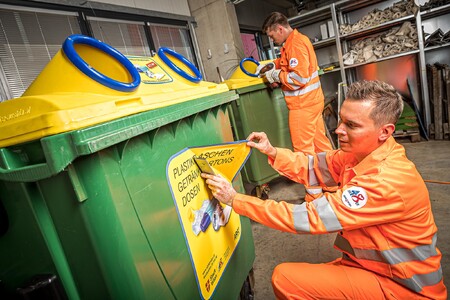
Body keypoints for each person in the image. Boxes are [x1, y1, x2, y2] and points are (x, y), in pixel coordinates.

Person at [202, 80, 447, 299]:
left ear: (385, 132)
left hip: (405, 287)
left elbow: (309, 218)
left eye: (351, 125)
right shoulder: (359, 155)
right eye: (341, 120)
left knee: (285, 280)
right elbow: (312, 167)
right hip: (375, 268)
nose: (338, 129)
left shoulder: (386, 181)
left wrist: (236, 200)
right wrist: (273, 152)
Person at [257, 12, 332, 154]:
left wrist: (277, 75)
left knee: (303, 151)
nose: (272, 40)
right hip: (313, 102)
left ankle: (308, 176)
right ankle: (332, 173)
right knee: (320, 146)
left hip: (302, 106)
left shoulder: (295, 45)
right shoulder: (296, 41)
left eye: (272, 36)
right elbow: (285, 63)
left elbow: (299, 79)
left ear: (280, 29)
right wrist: (269, 66)